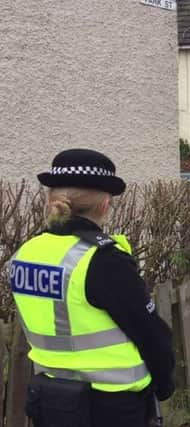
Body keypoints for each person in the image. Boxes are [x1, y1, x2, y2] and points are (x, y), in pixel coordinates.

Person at [9, 148, 175, 427]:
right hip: (111, 406)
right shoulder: (103, 260)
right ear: (105, 204)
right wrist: (165, 382)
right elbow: (150, 333)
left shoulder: (26, 252)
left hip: (51, 401)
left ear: (51, 200)